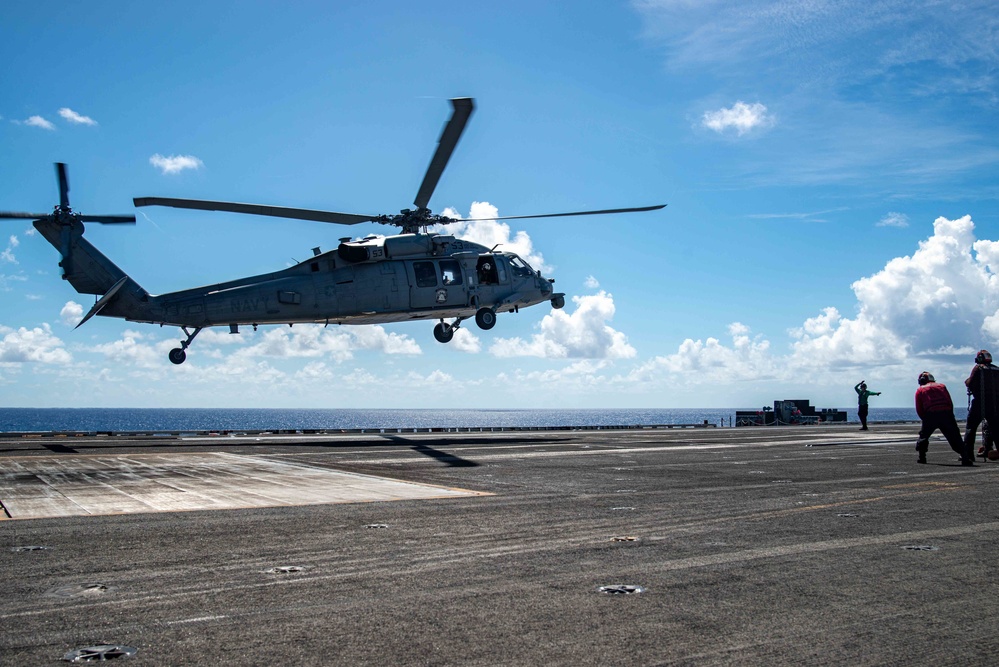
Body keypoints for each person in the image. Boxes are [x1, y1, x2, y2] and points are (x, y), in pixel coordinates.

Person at [915, 372, 973, 466]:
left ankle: (922, 458)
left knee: (923, 437)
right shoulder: (942, 386)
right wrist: (950, 415)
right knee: (955, 436)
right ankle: (965, 457)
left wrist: (925, 419)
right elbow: (949, 401)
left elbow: (919, 408)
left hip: (931, 414)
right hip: (946, 413)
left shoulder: (920, 390)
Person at [963, 349, 999, 460]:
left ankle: (968, 455)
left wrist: (967, 381)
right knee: (996, 429)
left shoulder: (978, 368)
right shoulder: (997, 369)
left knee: (971, 428)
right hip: (995, 404)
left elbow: (970, 383)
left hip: (980, 402)